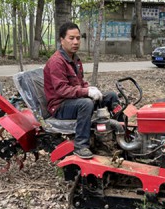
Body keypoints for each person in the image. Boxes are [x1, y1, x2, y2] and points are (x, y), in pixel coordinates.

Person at [44, 22, 121, 159]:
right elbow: (62, 90)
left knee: (110, 96)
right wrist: (86, 92)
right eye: (71, 38)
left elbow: (79, 82)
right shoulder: (57, 62)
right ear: (62, 40)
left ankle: (120, 133)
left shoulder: (75, 59)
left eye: (78, 38)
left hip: (73, 100)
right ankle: (81, 145)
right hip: (60, 106)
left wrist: (89, 88)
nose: (75, 42)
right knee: (86, 103)